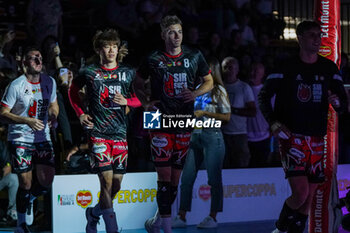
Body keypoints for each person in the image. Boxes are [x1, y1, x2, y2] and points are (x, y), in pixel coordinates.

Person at [258, 21, 348, 233]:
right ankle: (280, 229)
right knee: (300, 192)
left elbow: (342, 104)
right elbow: (263, 96)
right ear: (299, 38)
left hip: (317, 137)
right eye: (311, 35)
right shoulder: (285, 66)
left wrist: (337, 103)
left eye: (319, 35)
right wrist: (273, 121)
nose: (316, 39)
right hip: (292, 137)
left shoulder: (328, 68)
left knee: (309, 198)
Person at [135, 15, 213, 233]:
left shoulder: (194, 55)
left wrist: (196, 94)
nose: (176, 36)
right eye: (171, 32)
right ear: (163, 35)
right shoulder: (152, 58)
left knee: (175, 180)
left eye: (179, 31)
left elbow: (209, 81)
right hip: (157, 118)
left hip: (184, 119)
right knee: (164, 176)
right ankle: (167, 229)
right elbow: (137, 83)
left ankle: (157, 220)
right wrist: (145, 103)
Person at [68, 29, 141, 233]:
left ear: (118, 49)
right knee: (106, 181)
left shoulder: (128, 73)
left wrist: (128, 101)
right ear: (99, 49)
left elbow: (141, 97)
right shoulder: (90, 72)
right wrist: (81, 113)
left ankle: (93, 214)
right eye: (107, 46)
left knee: (115, 186)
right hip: (98, 133)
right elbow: (72, 91)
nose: (111, 50)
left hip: (120, 134)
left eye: (114, 46)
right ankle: (112, 228)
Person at [0, 47, 59, 233]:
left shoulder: (50, 82)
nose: (37, 60)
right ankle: (21, 224)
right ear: (24, 62)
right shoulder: (16, 85)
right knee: (25, 183)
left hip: (43, 137)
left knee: (46, 181)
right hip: (20, 137)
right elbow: (2, 114)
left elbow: (54, 105)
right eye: (32, 58)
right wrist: (26, 120)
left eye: (40, 57)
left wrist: (53, 115)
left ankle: (29, 199)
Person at [172, 57, 230, 229]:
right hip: (194, 135)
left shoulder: (219, 90)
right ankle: (182, 217)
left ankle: (213, 217)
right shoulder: (196, 89)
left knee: (214, 179)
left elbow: (227, 117)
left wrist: (205, 112)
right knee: (187, 178)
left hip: (212, 136)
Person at [221, 56, 256, 168]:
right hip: (222, 134)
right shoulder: (218, 87)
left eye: (231, 67)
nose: (228, 70)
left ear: (237, 70)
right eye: (225, 67)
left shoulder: (244, 88)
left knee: (241, 166)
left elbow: (252, 111)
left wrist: (232, 110)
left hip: (239, 135)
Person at [247, 62, 271, 167]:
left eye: (256, 71)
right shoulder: (244, 89)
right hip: (245, 137)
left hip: (264, 137)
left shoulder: (267, 92)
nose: (253, 73)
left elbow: (275, 112)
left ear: (262, 74)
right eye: (252, 70)